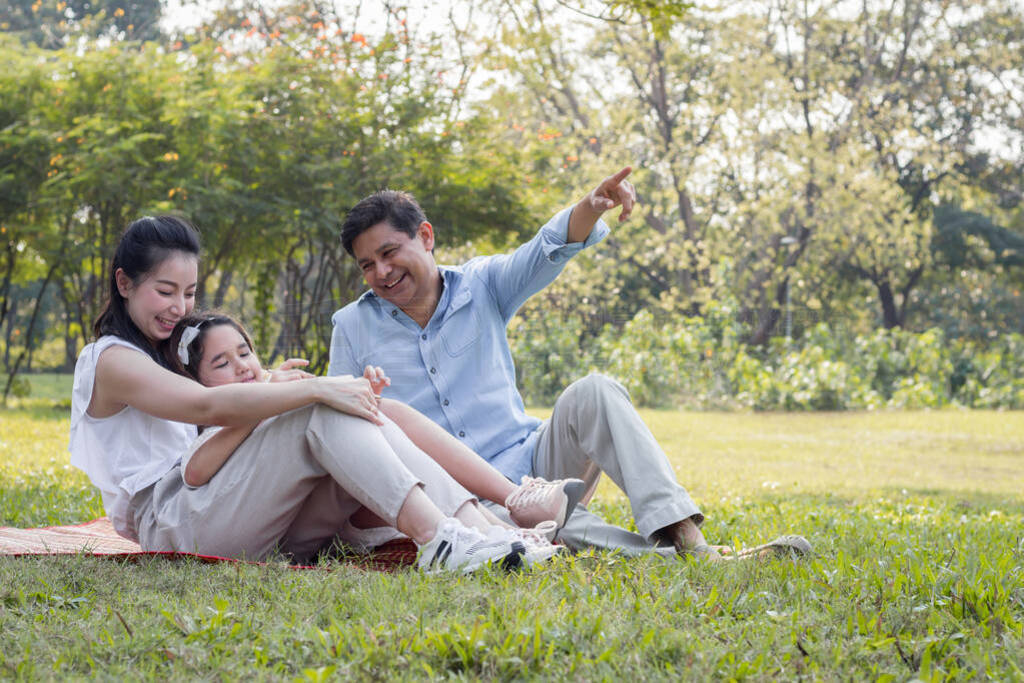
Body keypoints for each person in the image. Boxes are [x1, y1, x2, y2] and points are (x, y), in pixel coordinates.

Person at [69, 215, 539, 574]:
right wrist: (318, 387)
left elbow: (227, 394)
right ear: (125, 283)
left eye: (189, 293)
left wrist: (288, 383)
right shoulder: (111, 361)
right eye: (165, 291)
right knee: (322, 408)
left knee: (376, 410)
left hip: (231, 512)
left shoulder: (163, 352)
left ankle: (491, 530)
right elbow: (205, 405)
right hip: (173, 523)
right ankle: (439, 540)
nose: (179, 307)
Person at [327, 167, 725, 559]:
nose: (381, 272)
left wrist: (589, 207)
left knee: (595, 393)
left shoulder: (482, 285)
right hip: (455, 500)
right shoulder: (350, 326)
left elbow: (544, 249)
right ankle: (679, 558)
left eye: (388, 252)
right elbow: (343, 435)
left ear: (425, 237)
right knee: (545, 529)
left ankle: (685, 534)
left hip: (535, 467)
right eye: (367, 265)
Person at [164, 309, 581, 563]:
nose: (241, 366)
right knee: (333, 406)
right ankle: (461, 534)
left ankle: (493, 532)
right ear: (197, 383)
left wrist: (363, 414)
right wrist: (271, 395)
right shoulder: (214, 425)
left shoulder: (278, 404)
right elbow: (196, 473)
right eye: (221, 363)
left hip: (299, 534)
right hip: (238, 531)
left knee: (383, 411)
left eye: (243, 352)